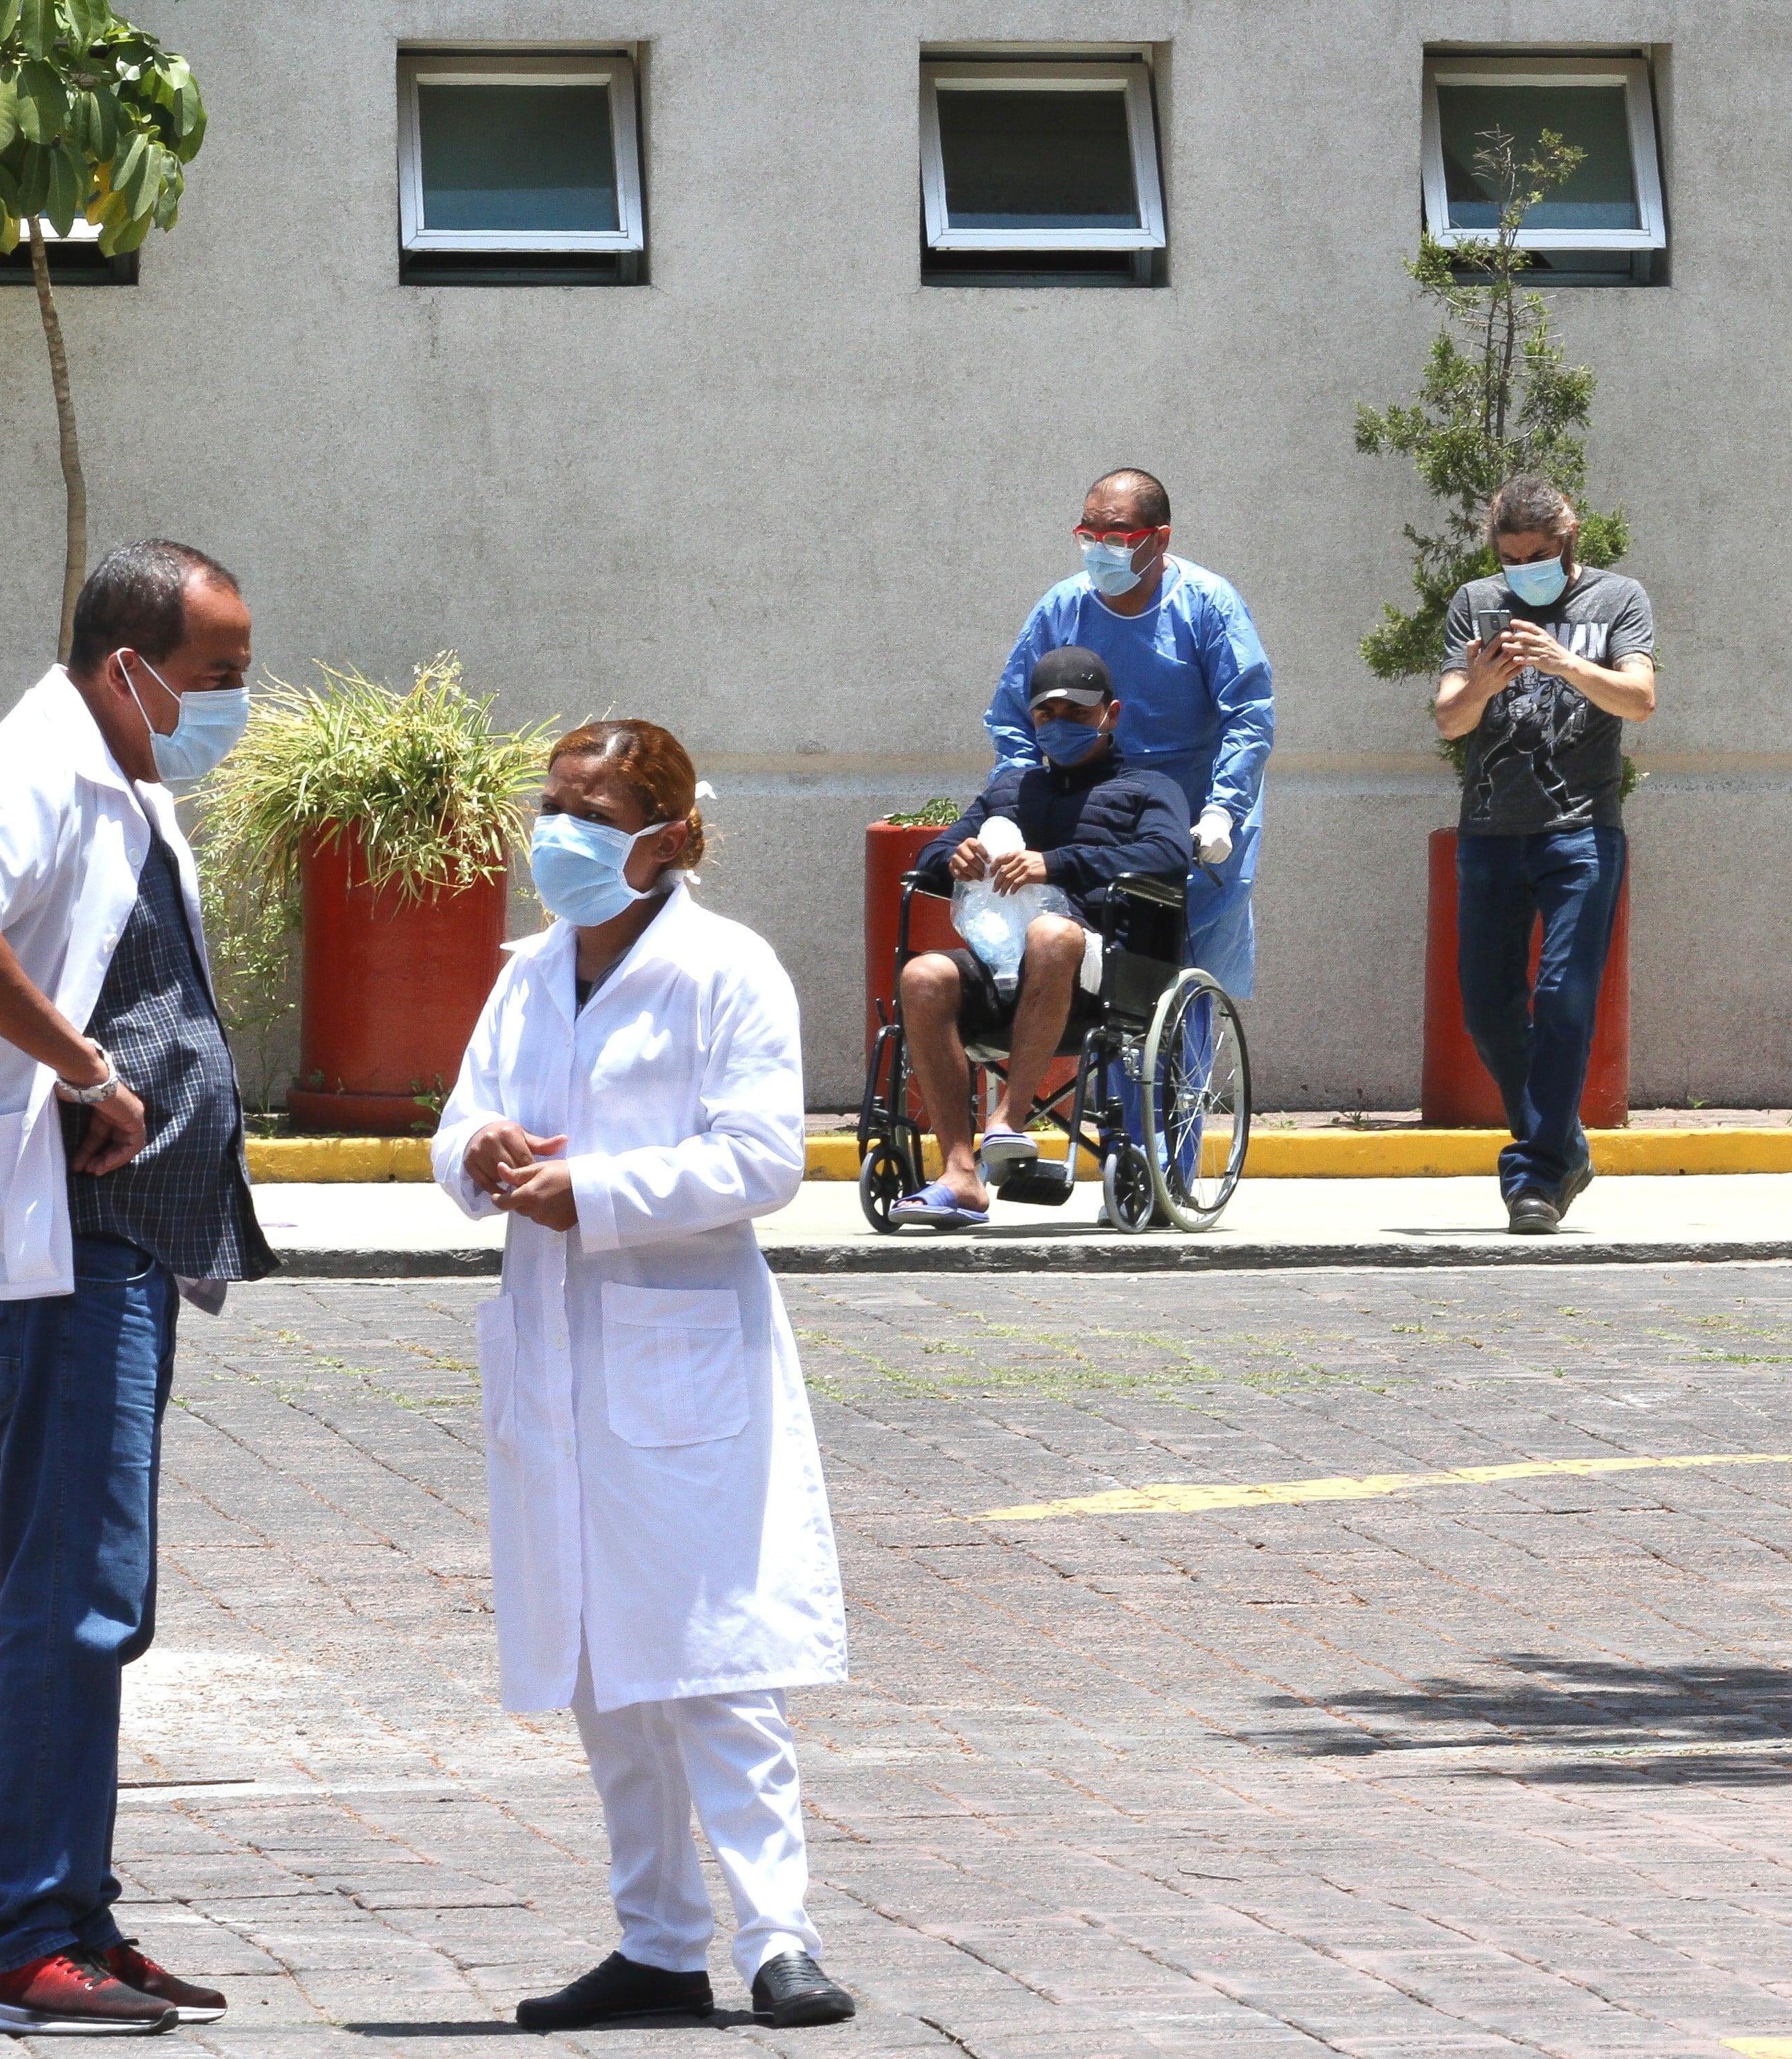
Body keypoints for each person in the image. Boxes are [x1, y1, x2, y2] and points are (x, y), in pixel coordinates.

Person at [0, 540, 272, 2032]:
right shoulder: (39, 762)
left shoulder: (117, 769)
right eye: (217, 676)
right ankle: (11, 1943)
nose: (232, 702)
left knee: (101, 1592)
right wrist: (85, 1067)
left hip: (116, 1241)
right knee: (71, 1595)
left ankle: (74, 1917)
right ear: (128, 667)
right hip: (62, 1248)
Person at [430, 721, 855, 2033]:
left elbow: (762, 1160)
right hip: (557, 1348)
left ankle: (778, 1938)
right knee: (598, 1665)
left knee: (714, 1655)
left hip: (682, 1357)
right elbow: (457, 1125)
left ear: (666, 838)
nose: (559, 836)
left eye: (594, 816)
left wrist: (599, 1191)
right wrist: (481, 1153)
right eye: (550, 809)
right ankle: (659, 1942)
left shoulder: (726, 970)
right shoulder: (526, 975)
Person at [890, 647, 1192, 1229]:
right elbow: (930, 855)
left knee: (1050, 933)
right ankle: (959, 1174)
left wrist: (1055, 864)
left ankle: (1008, 1119)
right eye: (1046, 713)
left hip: (1103, 969)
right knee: (922, 975)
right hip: (1005, 968)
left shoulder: (1148, 788)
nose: (1060, 724)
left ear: (1110, 713)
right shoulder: (1009, 790)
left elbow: (1168, 854)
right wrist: (952, 857)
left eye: (1076, 712)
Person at [1435, 476, 1658, 1235]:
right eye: (1510, 556)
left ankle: (1533, 1175)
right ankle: (1565, 1144)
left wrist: (1564, 664)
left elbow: (1639, 700)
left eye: (1537, 555)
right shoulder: (1477, 603)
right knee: (1488, 1009)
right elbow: (1449, 719)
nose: (1523, 569)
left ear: (1568, 540)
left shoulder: (1617, 599)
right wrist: (1481, 683)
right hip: (1490, 830)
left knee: (1564, 995)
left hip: (1581, 828)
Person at [988, 467, 1273, 996]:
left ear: (1159, 538)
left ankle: (1190, 1052)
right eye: (1088, 535)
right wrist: (1016, 806)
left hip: (1189, 815)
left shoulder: (1207, 605)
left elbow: (1248, 715)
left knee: (1185, 975)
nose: (1100, 550)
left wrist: (1222, 809)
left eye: (1116, 538)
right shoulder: (1062, 608)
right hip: (1091, 812)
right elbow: (1013, 717)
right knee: (1092, 976)